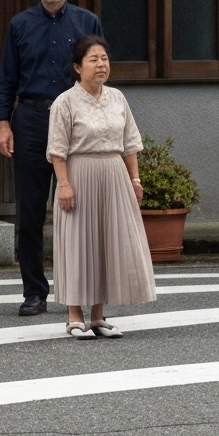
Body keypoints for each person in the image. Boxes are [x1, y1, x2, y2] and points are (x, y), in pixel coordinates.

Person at [0, 0, 103, 316]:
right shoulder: (19, 25)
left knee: (81, 209)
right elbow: (7, 77)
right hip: (32, 120)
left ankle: (83, 286)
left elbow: (101, 75)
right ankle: (34, 291)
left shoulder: (87, 22)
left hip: (79, 123)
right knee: (29, 210)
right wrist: (3, 123)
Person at [47, 34, 156, 338]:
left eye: (104, 59)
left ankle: (98, 316)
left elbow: (130, 143)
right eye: (93, 59)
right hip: (79, 174)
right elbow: (57, 149)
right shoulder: (65, 102)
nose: (100, 65)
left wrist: (134, 179)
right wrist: (64, 185)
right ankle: (74, 316)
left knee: (107, 242)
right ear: (77, 67)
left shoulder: (117, 98)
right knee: (77, 243)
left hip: (113, 174)